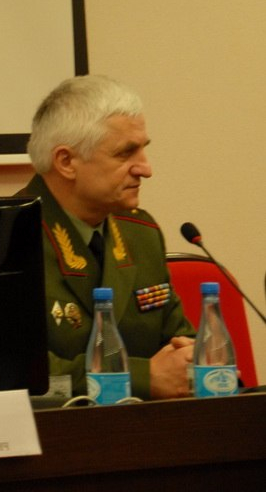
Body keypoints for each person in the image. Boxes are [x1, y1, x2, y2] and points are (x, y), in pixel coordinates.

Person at [22, 75, 193, 400]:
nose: (145, 169)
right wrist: (141, 378)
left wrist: (193, 359)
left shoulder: (140, 233)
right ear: (66, 162)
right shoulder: (5, 241)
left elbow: (177, 337)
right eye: (125, 154)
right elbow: (13, 373)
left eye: (143, 150)